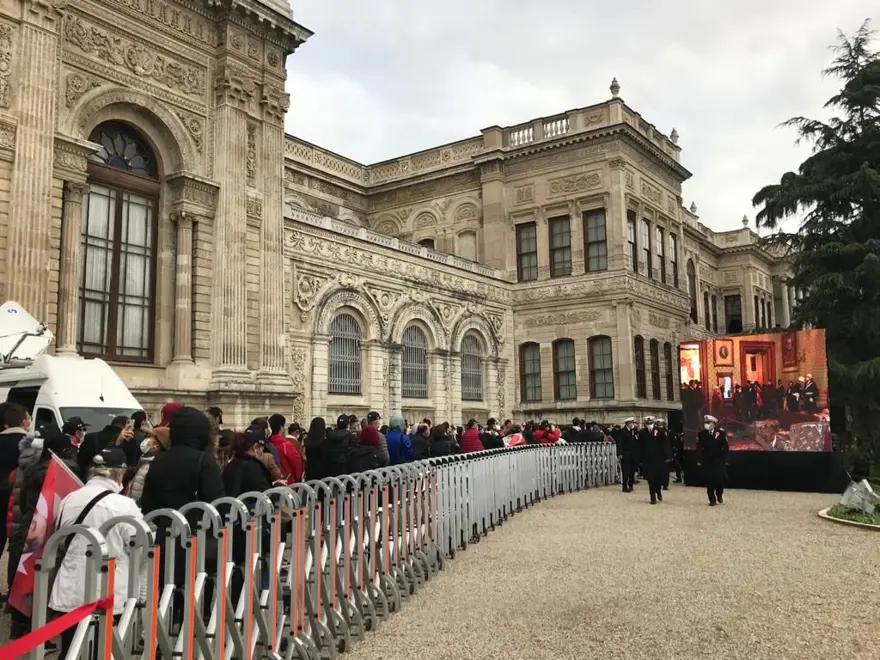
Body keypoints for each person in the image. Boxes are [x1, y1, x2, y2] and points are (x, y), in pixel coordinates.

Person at [49, 447, 146, 657]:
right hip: (110, 589)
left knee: (71, 648)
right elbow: (141, 544)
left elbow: (59, 537)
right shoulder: (124, 505)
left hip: (71, 586)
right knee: (105, 649)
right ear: (119, 474)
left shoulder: (70, 498)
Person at [77, 415, 134, 480]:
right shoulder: (128, 440)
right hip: (116, 480)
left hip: (91, 478)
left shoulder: (91, 437)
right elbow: (131, 464)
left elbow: (81, 460)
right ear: (126, 426)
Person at [696, 414, 729, 506]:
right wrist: (699, 459)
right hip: (707, 461)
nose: (706, 424)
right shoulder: (701, 434)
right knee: (709, 481)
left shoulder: (721, 433)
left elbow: (725, 446)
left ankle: (719, 494)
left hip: (718, 461)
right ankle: (712, 499)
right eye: (705, 423)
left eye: (708, 422)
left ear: (714, 423)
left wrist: (725, 458)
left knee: (720, 480)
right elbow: (699, 447)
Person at [640, 417, 671, 505]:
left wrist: (668, 456)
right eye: (647, 423)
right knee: (650, 479)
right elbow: (640, 446)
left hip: (659, 459)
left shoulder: (660, 431)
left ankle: (658, 491)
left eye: (650, 423)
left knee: (658, 478)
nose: (649, 425)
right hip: (648, 460)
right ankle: (652, 497)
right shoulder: (642, 432)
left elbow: (665, 444)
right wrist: (639, 459)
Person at [268, 413, 304, 484]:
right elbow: (297, 463)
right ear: (281, 427)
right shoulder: (285, 445)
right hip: (287, 482)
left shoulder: (266, 444)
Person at [617, 417, 638, 493]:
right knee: (625, 470)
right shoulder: (622, 431)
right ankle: (624, 486)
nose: (632, 424)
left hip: (633, 453)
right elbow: (620, 443)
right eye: (631, 423)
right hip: (625, 453)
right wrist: (620, 453)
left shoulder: (633, 432)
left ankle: (631, 484)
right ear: (628, 423)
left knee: (632, 470)